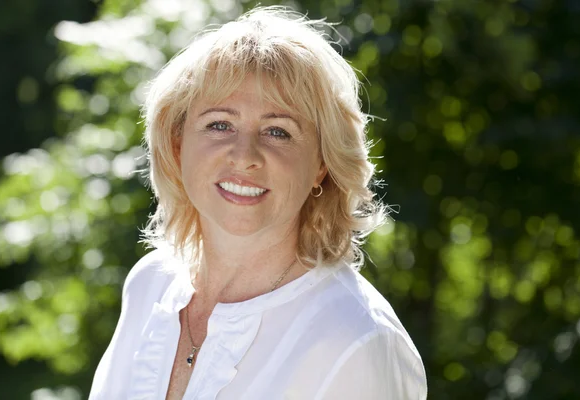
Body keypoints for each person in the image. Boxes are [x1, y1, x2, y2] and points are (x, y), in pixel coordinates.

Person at [89, 6, 427, 400]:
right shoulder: (150, 285)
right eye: (220, 124)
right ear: (178, 143)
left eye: (277, 131)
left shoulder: (357, 340)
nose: (244, 154)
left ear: (321, 165)